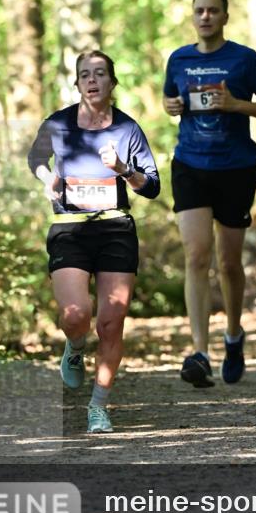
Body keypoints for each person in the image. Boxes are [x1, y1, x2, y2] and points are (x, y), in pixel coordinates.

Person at [28, 51, 160, 434]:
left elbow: (152, 186)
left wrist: (124, 170)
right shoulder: (57, 124)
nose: (92, 80)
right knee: (75, 316)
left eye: (100, 73)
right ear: (77, 83)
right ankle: (74, 347)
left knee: (112, 321)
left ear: (112, 82)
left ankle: (98, 406)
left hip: (116, 228)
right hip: (70, 227)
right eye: (85, 74)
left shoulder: (128, 129)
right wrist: (45, 178)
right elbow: (35, 158)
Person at [163, 0, 256, 388]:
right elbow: (170, 100)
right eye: (199, 11)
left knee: (229, 263)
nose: (206, 17)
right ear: (192, 16)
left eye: (213, 11)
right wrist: (171, 106)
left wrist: (236, 105)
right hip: (190, 166)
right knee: (197, 256)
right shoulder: (178, 59)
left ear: (225, 17)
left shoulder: (244, 59)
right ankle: (200, 351)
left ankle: (233, 334)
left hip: (235, 168)